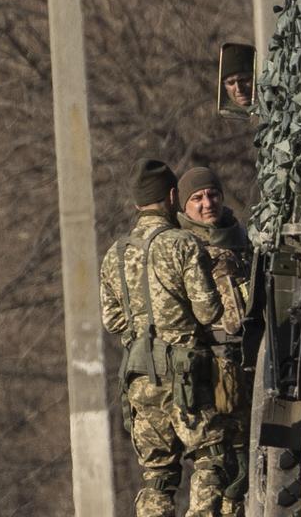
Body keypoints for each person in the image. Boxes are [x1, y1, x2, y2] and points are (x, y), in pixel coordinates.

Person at [100, 158, 227, 517]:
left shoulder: (115, 254)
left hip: (139, 376)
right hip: (184, 374)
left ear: (138, 203)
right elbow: (207, 312)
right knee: (210, 457)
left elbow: (112, 321)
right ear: (173, 196)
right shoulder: (182, 244)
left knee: (157, 476)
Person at [177, 166, 253, 516]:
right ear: (184, 206)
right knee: (213, 464)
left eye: (212, 195)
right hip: (208, 364)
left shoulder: (241, 239)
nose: (207, 204)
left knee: (241, 469)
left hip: (245, 360)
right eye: (197, 198)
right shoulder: (183, 247)